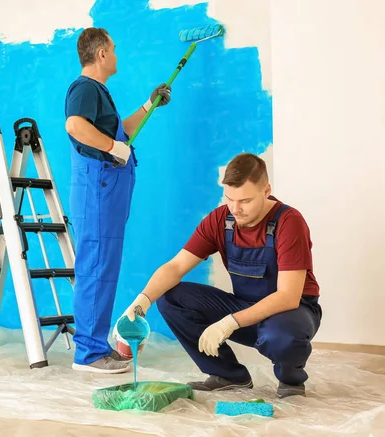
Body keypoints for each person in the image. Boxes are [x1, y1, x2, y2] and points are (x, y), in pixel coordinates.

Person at [120, 153, 322, 398]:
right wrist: (142, 301)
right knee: (170, 297)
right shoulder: (220, 220)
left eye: (245, 201)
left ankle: (291, 381)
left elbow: (288, 297)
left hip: (292, 313)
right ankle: (227, 375)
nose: (236, 209)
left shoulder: (289, 222)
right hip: (246, 307)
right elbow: (175, 267)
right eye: (230, 199)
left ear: (266, 190)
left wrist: (229, 323)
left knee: (281, 334)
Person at [64, 27, 172, 373]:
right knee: (95, 270)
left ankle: (95, 347)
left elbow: (121, 131)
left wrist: (149, 103)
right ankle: (90, 353)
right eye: (113, 48)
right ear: (101, 55)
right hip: (98, 189)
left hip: (105, 191)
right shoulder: (84, 88)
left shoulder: (99, 92)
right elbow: (75, 126)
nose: (117, 54)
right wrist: (113, 148)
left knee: (102, 269)